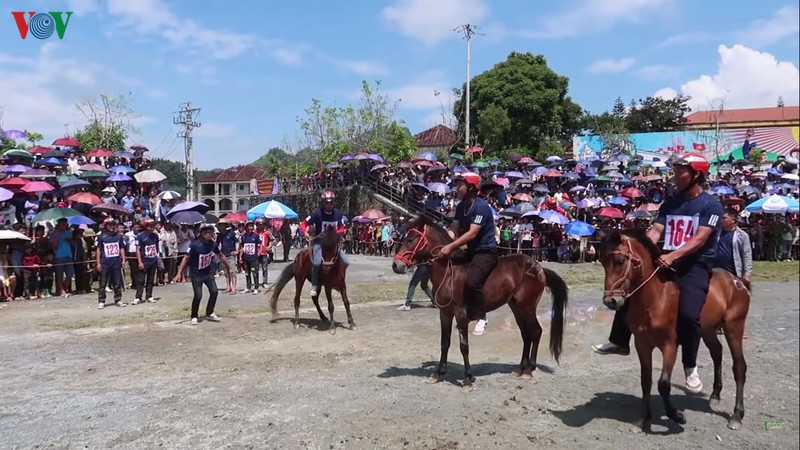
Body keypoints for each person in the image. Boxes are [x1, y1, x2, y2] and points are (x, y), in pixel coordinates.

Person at [593, 152, 723, 394]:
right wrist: (640, 248)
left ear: (696, 175)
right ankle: (620, 341)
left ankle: (690, 367)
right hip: (666, 259)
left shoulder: (711, 205)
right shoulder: (671, 201)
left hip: (695, 264)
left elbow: (700, 239)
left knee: (689, 313)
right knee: (630, 291)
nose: (674, 176)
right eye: (674, 171)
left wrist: (673, 256)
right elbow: (656, 230)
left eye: (679, 171)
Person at [439, 172, 498, 336]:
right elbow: (454, 230)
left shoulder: (481, 207)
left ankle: (481, 317)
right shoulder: (460, 207)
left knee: (472, 281)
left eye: (460, 184)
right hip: (470, 251)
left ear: (471, 187)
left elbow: (472, 234)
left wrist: (450, 247)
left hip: (485, 252)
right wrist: (442, 244)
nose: (457, 188)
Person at [175, 224, 232, 325]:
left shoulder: (213, 244)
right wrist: (179, 272)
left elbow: (221, 256)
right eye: (206, 233)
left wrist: (228, 267)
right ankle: (194, 316)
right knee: (198, 295)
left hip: (207, 273)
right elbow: (186, 258)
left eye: (210, 233)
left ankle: (210, 312)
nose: (208, 235)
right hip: (196, 274)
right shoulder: (195, 245)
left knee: (214, 292)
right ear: (201, 234)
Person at [306, 190, 350, 297]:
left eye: (330, 203)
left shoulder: (338, 214)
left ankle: (336, 281)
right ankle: (315, 285)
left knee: (346, 261)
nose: (329, 205)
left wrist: (338, 232)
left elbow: (341, 228)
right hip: (320, 243)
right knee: (317, 263)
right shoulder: (317, 213)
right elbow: (304, 223)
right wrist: (305, 232)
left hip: (333, 244)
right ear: (323, 203)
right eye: (326, 203)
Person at [714, 208, 752, 289]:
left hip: (733, 272)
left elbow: (746, 255)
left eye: (724, 218)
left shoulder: (742, 236)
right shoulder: (716, 233)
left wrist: (747, 274)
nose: (721, 220)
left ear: (733, 220)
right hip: (716, 270)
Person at [96, 219, 126, 309]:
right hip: (105, 262)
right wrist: (98, 263)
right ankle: (101, 301)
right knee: (103, 283)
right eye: (110, 225)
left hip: (116, 261)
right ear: (106, 226)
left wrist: (123, 260)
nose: (112, 227)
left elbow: (122, 248)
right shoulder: (102, 237)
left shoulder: (118, 237)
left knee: (117, 282)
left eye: (113, 225)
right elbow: (98, 250)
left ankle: (118, 299)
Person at [134, 220, 160, 304]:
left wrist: (156, 257)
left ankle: (149, 296)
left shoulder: (155, 236)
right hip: (144, 260)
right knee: (141, 280)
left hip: (153, 260)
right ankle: (138, 297)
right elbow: (138, 249)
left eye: (153, 226)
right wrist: (140, 262)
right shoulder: (140, 236)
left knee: (150, 279)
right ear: (145, 226)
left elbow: (156, 247)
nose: (151, 228)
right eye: (150, 226)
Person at [49, 218, 74, 298]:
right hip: (59, 255)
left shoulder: (68, 232)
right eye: (63, 224)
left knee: (70, 274)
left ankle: (65, 288)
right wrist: (56, 240)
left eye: (65, 224)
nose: (64, 225)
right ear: (59, 224)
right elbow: (52, 246)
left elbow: (72, 243)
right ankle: (61, 290)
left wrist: (70, 240)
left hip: (68, 255)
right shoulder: (54, 233)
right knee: (59, 274)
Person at [216, 219, 238, 294]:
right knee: (226, 272)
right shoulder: (219, 235)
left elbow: (237, 241)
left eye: (223, 225)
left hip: (231, 254)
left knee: (232, 271)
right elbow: (217, 244)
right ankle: (228, 287)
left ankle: (234, 288)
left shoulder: (231, 233)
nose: (222, 226)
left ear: (226, 225)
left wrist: (236, 251)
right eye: (221, 225)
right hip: (223, 254)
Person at [239, 221, 262, 294]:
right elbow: (242, 247)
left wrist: (259, 252)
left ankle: (256, 287)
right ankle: (248, 287)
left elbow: (261, 244)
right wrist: (240, 256)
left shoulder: (256, 236)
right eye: (249, 226)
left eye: (252, 226)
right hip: (246, 257)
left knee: (255, 273)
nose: (250, 228)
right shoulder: (243, 236)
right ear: (246, 227)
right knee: (247, 273)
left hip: (254, 258)